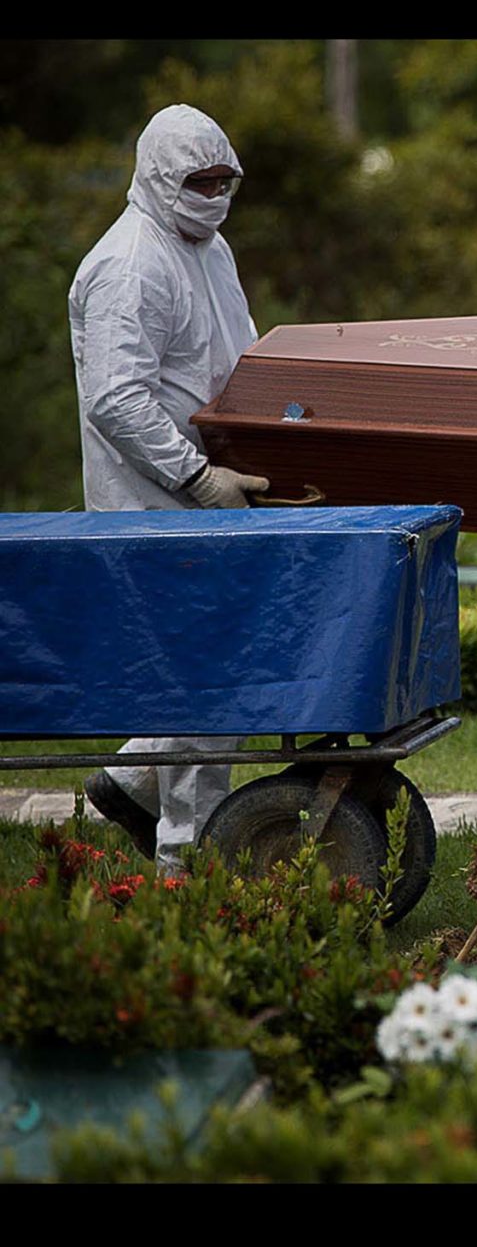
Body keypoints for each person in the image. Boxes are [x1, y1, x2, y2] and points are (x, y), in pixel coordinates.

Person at [69, 103, 268, 874]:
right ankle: (188, 862)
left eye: (224, 179)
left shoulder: (209, 248)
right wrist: (196, 474)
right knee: (201, 679)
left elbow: (232, 351)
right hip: (153, 505)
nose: (212, 193)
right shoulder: (129, 265)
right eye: (197, 180)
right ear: (157, 178)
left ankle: (127, 781)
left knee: (218, 666)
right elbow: (116, 398)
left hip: (207, 494)